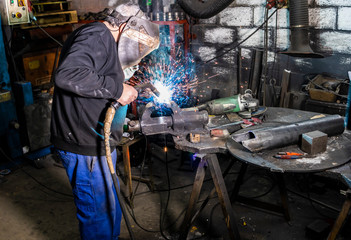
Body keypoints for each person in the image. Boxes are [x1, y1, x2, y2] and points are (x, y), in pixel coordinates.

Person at [50, 2, 159, 239]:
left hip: (98, 140)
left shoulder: (101, 38)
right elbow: (68, 75)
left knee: (110, 207)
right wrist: (118, 90)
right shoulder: (96, 34)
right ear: (125, 26)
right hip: (84, 142)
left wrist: (130, 89)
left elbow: (98, 80)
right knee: (97, 213)